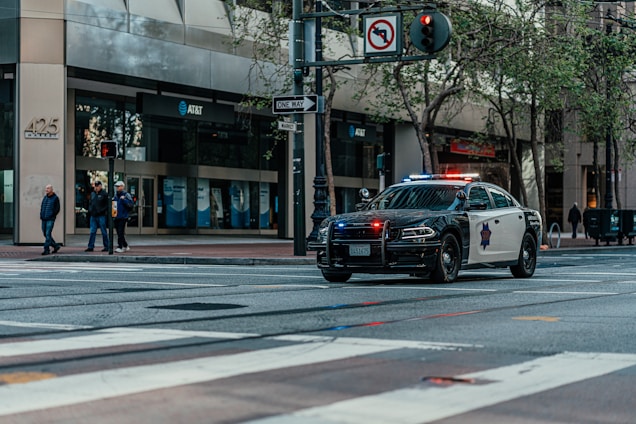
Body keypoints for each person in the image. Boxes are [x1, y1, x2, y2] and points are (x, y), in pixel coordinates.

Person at [85, 180, 110, 252]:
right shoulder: (93, 194)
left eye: (97, 186)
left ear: (100, 186)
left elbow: (107, 205)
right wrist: (90, 210)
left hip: (101, 215)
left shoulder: (104, 194)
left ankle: (106, 246)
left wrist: (102, 211)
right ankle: (90, 246)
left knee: (103, 231)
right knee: (92, 231)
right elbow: (90, 203)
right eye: (95, 186)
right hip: (93, 215)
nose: (96, 188)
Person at [113, 181, 134, 253]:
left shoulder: (126, 195)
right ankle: (125, 245)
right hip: (116, 216)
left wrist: (124, 200)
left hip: (123, 216)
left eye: (118, 186)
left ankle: (120, 246)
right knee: (119, 232)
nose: (117, 188)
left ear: (122, 186)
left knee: (120, 232)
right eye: (116, 186)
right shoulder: (115, 196)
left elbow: (131, 205)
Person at [40, 184, 61, 255]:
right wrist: (41, 215)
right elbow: (42, 207)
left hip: (50, 219)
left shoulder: (55, 198)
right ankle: (56, 246)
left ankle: (46, 249)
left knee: (48, 233)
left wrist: (52, 215)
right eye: (46, 188)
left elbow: (57, 209)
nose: (46, 190)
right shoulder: (45, 198)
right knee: (45, 233)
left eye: (48, 188)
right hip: (44, 218)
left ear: (52, 190)